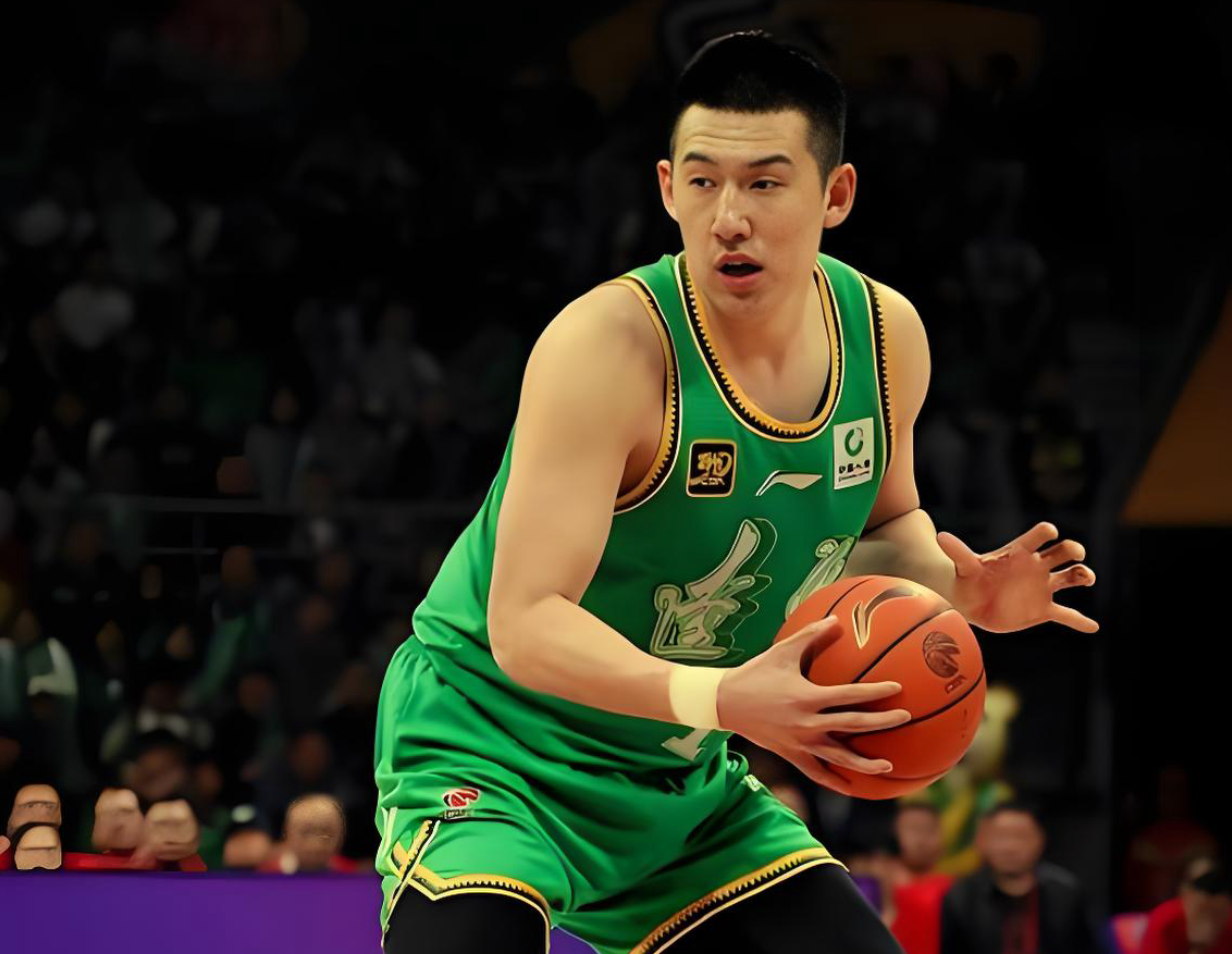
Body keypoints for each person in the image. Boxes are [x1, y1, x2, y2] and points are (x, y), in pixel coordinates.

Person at [373, 29, 1099, 954]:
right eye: (704, 181)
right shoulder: (607, 348)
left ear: (835, 195)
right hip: (496, 749)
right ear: (667, 188)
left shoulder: (886, 337)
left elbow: (883, 527)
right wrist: (725, 700)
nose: (728, 217)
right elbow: (524, 622)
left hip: (680, 782)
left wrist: (960, 590)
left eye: (763, 183)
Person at [940, 801, 1102, 954]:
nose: (1010, 847)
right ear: (981, 841)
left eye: (1020, 836)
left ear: (1041, 840)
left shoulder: (1066, 894)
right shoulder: (961, 897)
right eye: (1000, 836)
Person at [888, 803, 955, 954]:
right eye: (912, 829)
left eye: (929, 830)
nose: (921, 838)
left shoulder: (956, 890)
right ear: (894, 834)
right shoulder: (872, 887)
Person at [1140, 854, 1232, 954]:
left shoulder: (1228, 922)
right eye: (1199, 886)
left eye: (1216, 886)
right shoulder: (1165, 919)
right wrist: (1198, 948)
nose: (1205, 896)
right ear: (1183, 890)